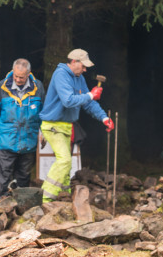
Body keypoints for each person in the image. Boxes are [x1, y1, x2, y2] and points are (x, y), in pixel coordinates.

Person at [38, 49, 114, 202]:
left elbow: (88, 103)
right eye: (83, 66)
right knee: (64, 160)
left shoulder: (79, 78)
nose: (85, 70)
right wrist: (90, 95)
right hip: (52, 125)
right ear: (74, 62)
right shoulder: (61, 74)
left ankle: (64, 196)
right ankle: (44, 198)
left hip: (66, 126)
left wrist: (104, 118)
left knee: (67, 166)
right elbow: (68, 100)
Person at [0, 58, 45, 198]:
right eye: (15, 76)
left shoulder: (38, 87)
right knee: (4, 175)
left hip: (28, 140)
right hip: (7, 140)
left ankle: (22, 206)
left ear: (29, 74)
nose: (18, 80)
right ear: (12, 72)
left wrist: (44, 131)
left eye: (21, 77)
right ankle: (2, 206)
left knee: (24, 175)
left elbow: (44, 113)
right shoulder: (1, 87)